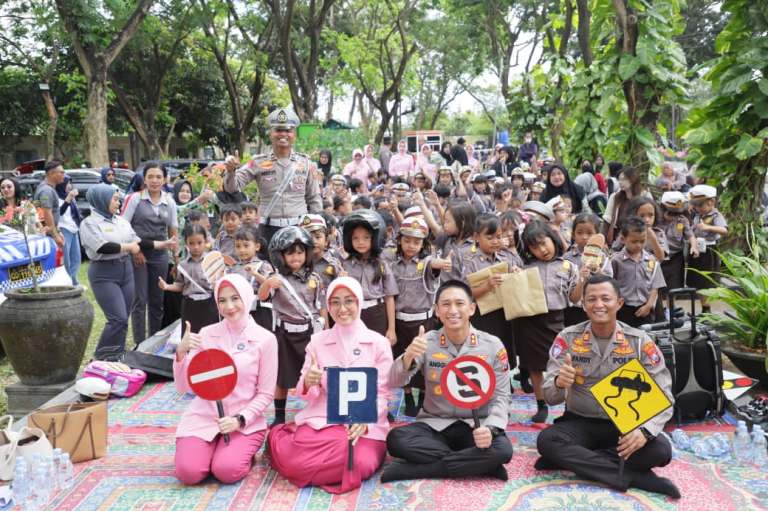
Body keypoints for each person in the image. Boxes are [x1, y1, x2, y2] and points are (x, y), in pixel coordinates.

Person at [536, 273, 679, 499]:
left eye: (605, 298)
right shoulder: (568, 338)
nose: (599, 305)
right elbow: (550, 397)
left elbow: (665, 395)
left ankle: (575, 459)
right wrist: (559, 383)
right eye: (591, 299)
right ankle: (633, 477)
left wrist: (644, 431)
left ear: (619, 303)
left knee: (660, 450)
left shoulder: (639, 341)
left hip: (624, 425)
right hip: (580, 421)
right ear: (583, 305)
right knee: (547, 441)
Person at [268, 277, 393, 493]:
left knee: (360, 464)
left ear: (359, 302)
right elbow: (304, 393)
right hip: (323, 419)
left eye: (348, 301)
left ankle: (314, 465)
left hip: (363, 423)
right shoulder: (318, 341)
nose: (342, 309)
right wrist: (309, 381)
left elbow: (382, 394)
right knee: (295, 463)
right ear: (328, 306)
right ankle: (282, 441)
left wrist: (365, 421)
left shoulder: (378, 343)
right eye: (335, 302)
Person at [382, 280, 513, 482]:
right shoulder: (426, 342)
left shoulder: (492, 345)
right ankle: (481, 464)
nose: (453, 310)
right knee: (396, 440)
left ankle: (417, 470)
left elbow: (502, 396)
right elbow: (394, 381)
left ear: (471, 308)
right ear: (437, 311)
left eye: (459, 303)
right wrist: (408, 356)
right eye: (446, 304)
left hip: (476, 424)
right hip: (435, 424)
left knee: (502, 450)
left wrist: (491, 428)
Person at [173, 273, 278, 485]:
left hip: (243, 423)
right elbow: (183, 387)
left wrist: (239, 419)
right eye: (222, 300)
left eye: (235, 298)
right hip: (204, 417)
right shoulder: (206, 334)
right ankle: (206, 450)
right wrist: (181, 353)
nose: (229, 306)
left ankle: (238, 453)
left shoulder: (266, 339)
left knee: (227, 471)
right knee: (188, 473)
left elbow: (266, 393)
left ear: (246, 297)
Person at [80, 184, 172, 361]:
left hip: (126, 270)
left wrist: (162, 244)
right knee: (118, 318)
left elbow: (137, 241)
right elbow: (102, 247)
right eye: (114, 199)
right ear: (102, 200)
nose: (118, 202)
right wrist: (129, 247)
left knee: (124, 318)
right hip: (104, 273)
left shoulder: (120, 221)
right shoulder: (89, 223)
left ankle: (117, 355)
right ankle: (100, 357)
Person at [223, 107, 322, 247]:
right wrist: (231, 171)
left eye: (288, 130)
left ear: (294, 134)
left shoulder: (306, 163)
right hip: (268, 229)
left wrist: (316, 228)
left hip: (298, 227)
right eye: (278, 130)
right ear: (271, 133)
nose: (283, 134)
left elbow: (314, 198)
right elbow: (232, 188)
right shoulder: (258, 162)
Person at [518, 221, 586, 422]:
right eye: (534, 247)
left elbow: (574, 298)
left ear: (552, 239)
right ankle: (541, 405)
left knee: (563, 364)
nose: (542, 250)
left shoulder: (568, 266)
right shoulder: (525, 267)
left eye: (543, 243)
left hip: (557, 320)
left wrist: (582, 279)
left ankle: (567, 407)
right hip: (530, 321)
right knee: (534, 365)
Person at [383, 217, 449, 416]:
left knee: (424, 360)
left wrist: (442, 263)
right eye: (407, 240)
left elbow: (434, 264)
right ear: (399, 240)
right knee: (404, 359)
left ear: (423, 244)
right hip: (400, 320)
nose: (411, 246)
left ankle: (422, 396)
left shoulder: (425, 262)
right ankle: (408, 395)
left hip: (423, 321)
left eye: (417, 242)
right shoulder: (392, 263)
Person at [259, 226, 325, 425]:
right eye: (290, 253)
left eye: (300, 252)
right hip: (285, 335)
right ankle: (279, 415)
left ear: (307, 253)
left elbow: (321, 307)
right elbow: (262, 297)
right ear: (281, 256)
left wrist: (326, 331)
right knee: (282, 376)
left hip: (309, 334)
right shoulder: (277, 279)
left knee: (315, 373)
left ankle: (318, 408)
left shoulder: (315, 279)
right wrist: (267, 284)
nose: (296, 257)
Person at [122, 162, 179, 344]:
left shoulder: (169, 202)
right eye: (151, 177)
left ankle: (153, 343)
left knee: (157, 300)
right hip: (138, 253)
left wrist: (176, 261)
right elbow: (123, 227)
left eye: (158, 177)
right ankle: (139, 344)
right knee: (139, 300)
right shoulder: (134, 199)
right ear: (144, 179)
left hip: (160, 256)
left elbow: (173, 233)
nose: (155, 180)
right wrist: (135, 250)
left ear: (165, 179)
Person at [340, 209, 398, 342]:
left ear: (375, 238)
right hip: (353, 312)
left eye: (366, 237)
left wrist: (391, 329)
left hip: (377, 313)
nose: (361, 242)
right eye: (355, 238)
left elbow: (389, 297)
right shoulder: (345, 265)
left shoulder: (382, 264)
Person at [158, 224, 218, 335]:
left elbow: (219, 283)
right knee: (190, 336)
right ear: (186, 243)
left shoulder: (212, 261)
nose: (196, 247)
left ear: (205, 242)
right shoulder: (183, 265)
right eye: (191, 243)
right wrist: (167, 286)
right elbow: (180, 285)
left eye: (199, 243)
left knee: (210, 336)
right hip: (190, 306)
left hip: (209, 304)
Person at [610, 216, 666, 327]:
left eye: (642, 241)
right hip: (623, 308)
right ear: (623, 239)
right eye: (634, 241)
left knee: (646, 335)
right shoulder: (616, 261)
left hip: (645, 308)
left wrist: (649, 305)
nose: (638, 245)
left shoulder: (651, 260)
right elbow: (611, 284)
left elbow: (655, 286)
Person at [563, 213, 612, 326]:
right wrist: (579, 277)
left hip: (597, 306)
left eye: (589, 233)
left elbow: (610, 281)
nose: (584, 237)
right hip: (574, 308)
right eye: (580, 233)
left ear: (597, 236)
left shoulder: (602, 258)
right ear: (573, 235)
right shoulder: (567, 258)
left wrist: (598, 271)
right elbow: (563, 284)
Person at [687, 184, 728, 313]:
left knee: (707, 281)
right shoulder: (697, 215)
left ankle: (706, 308)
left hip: (709, 250)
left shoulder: (716, 215)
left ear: (711, 202)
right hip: (697, 249)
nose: (697, 208)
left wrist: (708, 227)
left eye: (700, 205)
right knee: (697, 280)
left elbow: (724, 230)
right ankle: (704, 307)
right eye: (695, 205)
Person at [658, 191, 698, 292]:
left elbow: (690, 235)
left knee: (674, 285)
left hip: (676, 257)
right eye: (670, 213)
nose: (673, 217)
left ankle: (671, 302)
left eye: (676, 213)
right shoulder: (656, 220)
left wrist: (694, 246)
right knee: (658, 285)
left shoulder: (682, 220)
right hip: (658, 256)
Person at [55, 175, 82, 286]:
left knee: (76, 257)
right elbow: (59, 213)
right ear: (62, 185)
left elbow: (75, 213)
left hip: (74, 229)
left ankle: (73, 280)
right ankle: (68, 282)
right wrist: (68, 199)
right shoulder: (56, 198)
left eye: (70, 183)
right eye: (67, 183)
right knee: (66, 259)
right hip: (64, 229)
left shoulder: (70, 197)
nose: (69, 186)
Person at [34, 160, 66, 248]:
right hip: (47, 235)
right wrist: (55, 236)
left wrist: (57, 231)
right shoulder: (46, 190)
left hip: (47, 232)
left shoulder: (46, 188)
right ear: (51, 173)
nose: (64, 174)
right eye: (61, 172)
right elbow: (47, 213)